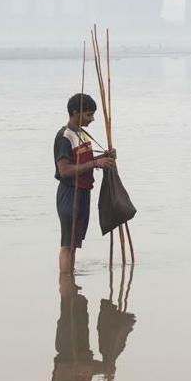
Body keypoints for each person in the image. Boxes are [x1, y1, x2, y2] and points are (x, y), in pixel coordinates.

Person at [54, 93, 116, 274]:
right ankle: (65, 280)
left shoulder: (82, 134)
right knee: (67, 244)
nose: (92, 119)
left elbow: (84, 162)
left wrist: (104, 158)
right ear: (75, 113)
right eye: (88, 114)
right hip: (69, 194)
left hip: (83, 192)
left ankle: (70, 287)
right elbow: (64, 170)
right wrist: (96, 163)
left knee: (74, 243)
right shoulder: (65, 136)